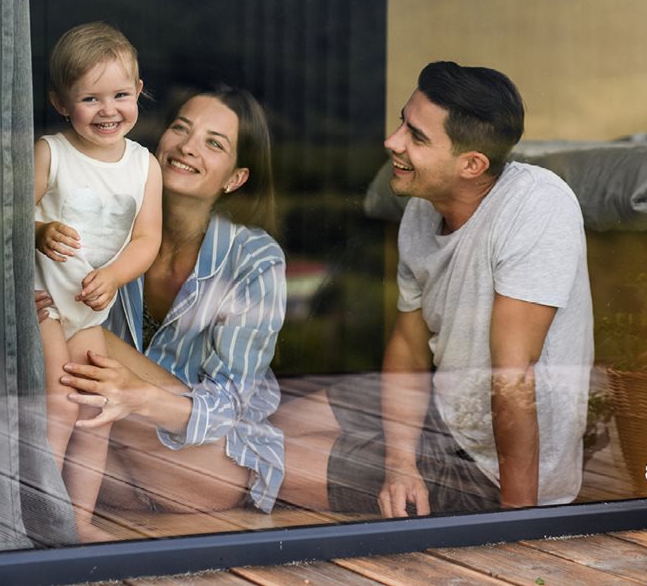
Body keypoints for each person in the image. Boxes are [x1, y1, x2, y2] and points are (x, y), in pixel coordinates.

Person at [276, 61, 594, 517]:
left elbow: (512, 380)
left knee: (259, 463)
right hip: (441, 410)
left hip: (490, 470)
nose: (392, 142)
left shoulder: (538, 208)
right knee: (276, 429)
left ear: (471, 165)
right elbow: (408, 344)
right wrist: (401, 463)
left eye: (416, 137)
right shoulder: (422, 209)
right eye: (402, 121)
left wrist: (519, 526)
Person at [51, 84, 292, 524]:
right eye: (181, 129)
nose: (187, 147)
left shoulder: (253, 258)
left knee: (79, 331)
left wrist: (135, 395)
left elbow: (228, 406)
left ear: (235, 177)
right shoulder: (111, 222)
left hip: (205, 464)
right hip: (112, 451)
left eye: (213, 144)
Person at [32, 21, 163, 541]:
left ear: (138, 91)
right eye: (90, 98)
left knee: (97, 411)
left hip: (87, 310)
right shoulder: (52, 153)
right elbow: (2, 218)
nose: (108, 110)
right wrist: (39, 231)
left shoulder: (143, 166)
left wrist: (112, 275)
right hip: (41, 303)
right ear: (61, 103)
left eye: (120, 95)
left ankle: (78, 522)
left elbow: (146, 240)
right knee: (59, 404)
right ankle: (38, 519)